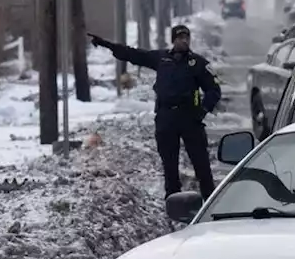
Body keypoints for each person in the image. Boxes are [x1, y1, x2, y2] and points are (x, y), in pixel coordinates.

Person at [87, 24, 222, 198]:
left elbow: (214, 89)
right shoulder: (161, 58)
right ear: (173, 40)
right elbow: (134, 54)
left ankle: (210, 201)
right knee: (169, 165)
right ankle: (173, 203)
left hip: (190, 118)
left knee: (201, 164)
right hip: (166, 118)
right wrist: (107, 45)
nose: (184, 40)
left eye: (186, 37)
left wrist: (203, 109)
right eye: (180, 37)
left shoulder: (197, 63)